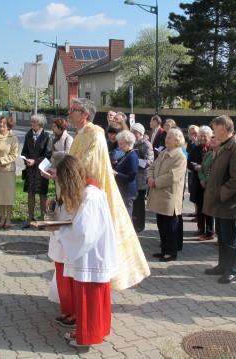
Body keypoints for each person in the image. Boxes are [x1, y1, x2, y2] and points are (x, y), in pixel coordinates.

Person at [43, 98, 149, 290]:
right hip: (76, 196)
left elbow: (89, 167)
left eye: (73, 109)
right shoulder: (80, 135)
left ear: (85, 114)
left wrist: (62, 175)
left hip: (90, 198)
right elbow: (73, 167)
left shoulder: (96, 136)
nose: (69, 113)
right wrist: (58, 175)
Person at [48, 155, 118, 348]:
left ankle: (87, 336)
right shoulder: (88, 190)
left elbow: (84, 233)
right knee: (95, 298)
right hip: (93, 252)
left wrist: (59, 230)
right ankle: (92, 331)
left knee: (90, 298)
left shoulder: (90, 195)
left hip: (91, 255)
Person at [202, 115, 236, 284]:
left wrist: (221, 193)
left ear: (222, 128)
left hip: (228, 203)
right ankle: (222, 266)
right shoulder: (224, 146)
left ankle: (232, 270)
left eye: (214, 128)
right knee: (221, 236)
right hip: (219, 203)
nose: (213, 131)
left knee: (229, 238)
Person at [146, 128, 187, 262]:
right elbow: (152, 167)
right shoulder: (164, 153)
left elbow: (173, 176)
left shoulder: (180, 156)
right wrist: (149, 178)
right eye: (166, 137)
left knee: (170, 226)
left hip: (169, 196)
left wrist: (155, 182)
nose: (166, 140)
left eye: (169, 138)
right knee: (161, 225)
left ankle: (171, 252)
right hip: (159, 195)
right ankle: (164, 249)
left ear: (177, 141)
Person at [21, 114, 53, 228]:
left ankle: (43, 220)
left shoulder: (47, 136)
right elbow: (24, 151)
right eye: (32, 121)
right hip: (30, 169)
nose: (32, 124)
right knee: (30, 193)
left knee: (42, 194)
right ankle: (30, 219)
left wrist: (35, 161)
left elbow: (48, 154)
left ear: (40, 124)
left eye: (34, 122)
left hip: (41, 169)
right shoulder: (28, 134)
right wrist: (27, 160)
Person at [0, 116, 19, 229]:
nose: (1, 125)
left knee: (8, 195)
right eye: (0, 123)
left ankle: (9, 218)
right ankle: (2, 217)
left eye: (4, 123)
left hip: (8, 170)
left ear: (9, 126)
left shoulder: (13, 138)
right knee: (0, 195)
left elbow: (14, 154)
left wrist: (3, 161)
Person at [189, 126, 215, 240]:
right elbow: (188, 162)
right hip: (197, 180)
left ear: (210, 137)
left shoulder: (212, 149)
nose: (203, 138)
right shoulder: (195, 149)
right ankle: (200, 228)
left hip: (209, 181)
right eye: (201, 136)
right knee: (199, 205)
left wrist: (203, 167)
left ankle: (210, 230)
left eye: (205, 136)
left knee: (208, 206)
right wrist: (194, 167)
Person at [130, 123, 154, 232]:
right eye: (132, 132)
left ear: (141, 133)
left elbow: (149, 162)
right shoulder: (132, 143)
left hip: (141, 179)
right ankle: (133, 223)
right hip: (133, 178)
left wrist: (135, 161)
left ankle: (140, 225)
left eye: (136, 133)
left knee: (139, 204)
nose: (134, 135)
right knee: (133, 204)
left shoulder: (147, 145)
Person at [113, 130, 139, 217]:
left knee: (127, 217)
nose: (119, 146)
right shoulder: (126, 154)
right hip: (123, 190)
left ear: (128, 143)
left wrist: (116, 174)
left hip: (127, 192)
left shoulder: (132, 156)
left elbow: (130, 177)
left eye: (121, 143)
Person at [185, 124, 199, 216]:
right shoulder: (190, 142)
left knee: (197, 191)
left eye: (194, 133)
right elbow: (187, 153)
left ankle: (198, 212)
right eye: (190, 133)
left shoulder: (198, 143)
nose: (192, 135)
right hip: (191, 168)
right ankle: (196, 210)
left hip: (198, 169)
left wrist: (196, 143)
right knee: (192, 190)